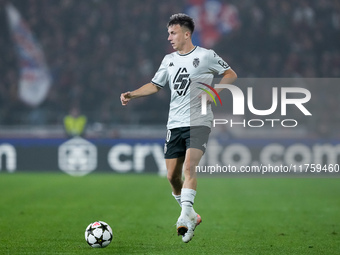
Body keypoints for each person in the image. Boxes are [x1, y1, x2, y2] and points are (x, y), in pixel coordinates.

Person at [120, 13, 237, 243]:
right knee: (172, 177)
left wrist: (214, 93)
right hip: (174, 124)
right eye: (168, 33)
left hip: (199, 121)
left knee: (189, 169)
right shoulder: (168, 60)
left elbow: (230, 74)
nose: (169, 37)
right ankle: (192, 214)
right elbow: (155, 86)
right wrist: (132, 94)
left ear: (186, 33)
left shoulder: (206, 56)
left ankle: (184, 219)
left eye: (172, 33)